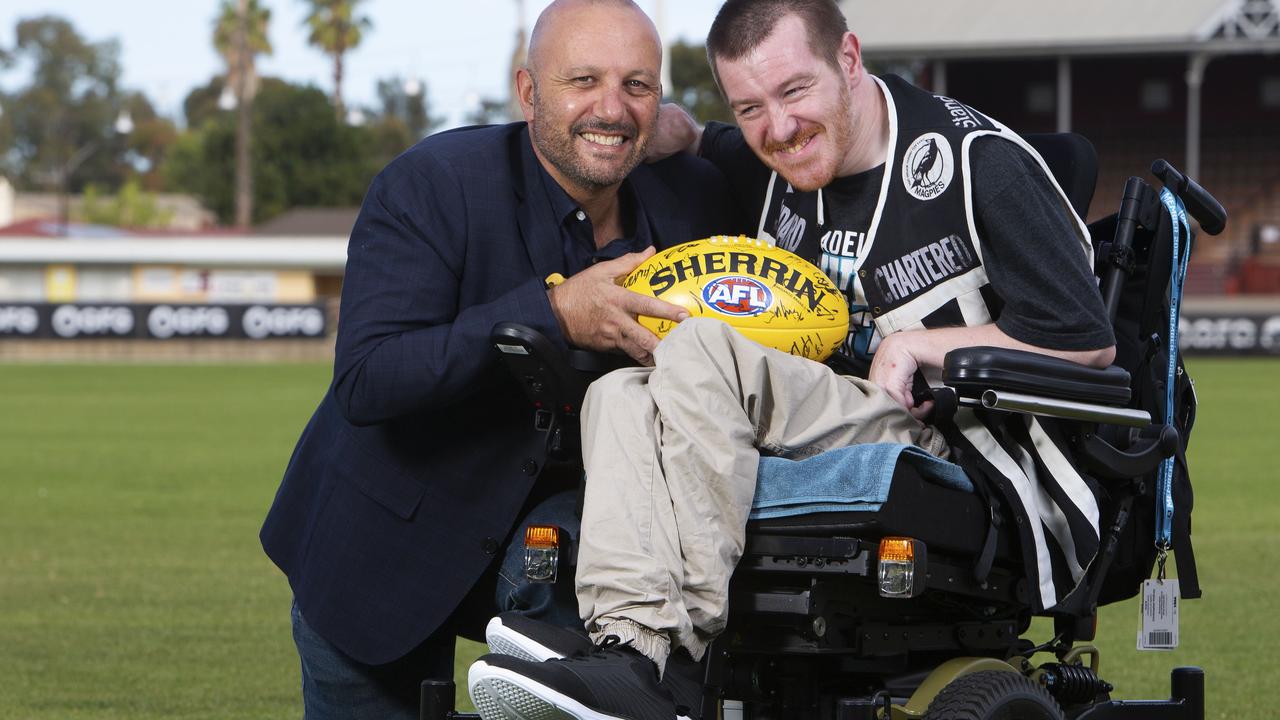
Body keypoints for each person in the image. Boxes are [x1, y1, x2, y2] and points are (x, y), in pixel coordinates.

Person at [467, 1, 1117, 718]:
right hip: (827, 419)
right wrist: (643, 127)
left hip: (971, 448)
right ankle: (629, 650)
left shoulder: (979, 166)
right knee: (620, 390)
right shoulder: (763, 165)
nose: (777, 128)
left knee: (697, 344)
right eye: (749, 107)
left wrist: (918, 344)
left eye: (794, 91)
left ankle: (680, 660)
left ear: (848, 60)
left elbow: (1085, 341)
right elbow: (692, 134)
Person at [258, 0, 735, 716]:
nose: (612, 108)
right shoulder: (433, 183)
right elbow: (368, 378)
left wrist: (699, 134)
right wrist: (551, 313)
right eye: (584, 80)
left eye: (637, 85)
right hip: (383, 544)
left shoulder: (694, 198)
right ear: (528, 91)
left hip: (555, 559)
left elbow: (772, 142)